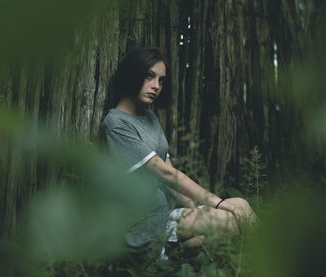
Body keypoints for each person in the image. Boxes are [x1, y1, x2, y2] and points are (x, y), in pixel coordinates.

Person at [101, 47, 256, 259]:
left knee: (241, 205)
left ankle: (175, 253)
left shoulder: (150, 118)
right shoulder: (116, 123)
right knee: (228, 220)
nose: (156, 86)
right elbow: (164, 174)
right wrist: (217, 203)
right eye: (149, 76)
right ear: (132, 74)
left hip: (163, 216)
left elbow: (169, 178)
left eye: (161, 80)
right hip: (140, 225)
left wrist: (196, 208)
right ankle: (165, 254)